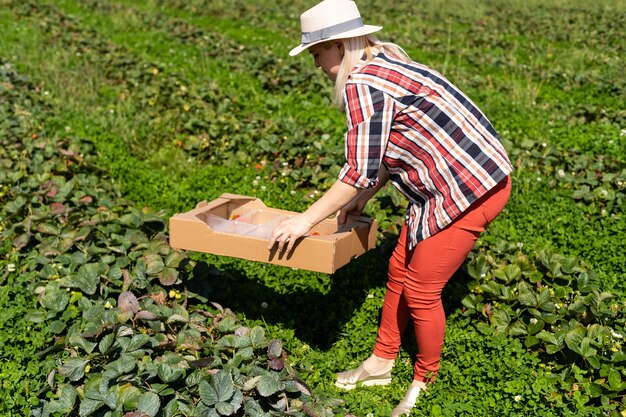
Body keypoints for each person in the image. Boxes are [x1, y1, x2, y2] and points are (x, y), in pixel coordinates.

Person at [268, 1, 513, 415]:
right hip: (454, 179)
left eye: (316, 54)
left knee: (421, 289)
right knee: (399, 268)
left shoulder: (361, 83)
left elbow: (358, 169)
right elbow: (392, 147)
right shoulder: (386, 60)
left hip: (471, 188)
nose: (316, 65)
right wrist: (366, 194)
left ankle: (423, 383)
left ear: (338, 45)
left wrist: (305, 219)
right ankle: (381, 363)